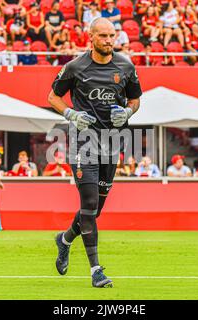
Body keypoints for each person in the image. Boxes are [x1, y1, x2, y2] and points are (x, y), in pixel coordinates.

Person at [47, 18, 142, 287]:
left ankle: (64, 239)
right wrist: (70, 114)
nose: (109, 40)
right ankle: (96, 270)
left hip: (112, 144)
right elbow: (52, 96)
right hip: (83, 144)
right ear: (91, 37)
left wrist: (127, 112)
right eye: (103, 35)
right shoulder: (76, 67)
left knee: (95, 210)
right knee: (88, 205)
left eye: (112, 35)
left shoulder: (125, 65)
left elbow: (135, 100)